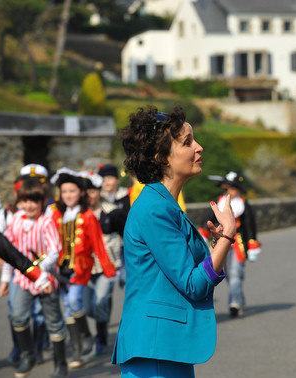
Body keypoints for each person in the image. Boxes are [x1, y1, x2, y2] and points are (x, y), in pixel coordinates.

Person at [112, 106, 236, 377]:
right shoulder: (155, 208)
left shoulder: (163, 204)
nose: (199, 148)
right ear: (162, 158)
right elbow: (193, 284)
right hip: (155, 348)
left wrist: (216, 245)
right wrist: (227, 236)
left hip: (163, 346)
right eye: (188, 142)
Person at [0, 178, 69, 378]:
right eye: (26, 200)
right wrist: (5, 281)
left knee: (53, 321)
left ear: (42, 201)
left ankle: (61, 364)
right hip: (22, 280)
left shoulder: (46, 221)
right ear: (20, 201)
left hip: (46, 279)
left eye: (34, 200)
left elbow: (54, 251)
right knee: (17, 316)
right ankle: (28, 355)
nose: (29, 205)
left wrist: (39, 269)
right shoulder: (16, 221)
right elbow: (9, 253)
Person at [50, 167, 116, 369]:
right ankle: (78, 351)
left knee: (73, 300)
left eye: (72, 191)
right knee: (68, 311)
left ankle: (86, 334)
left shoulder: (87, 216)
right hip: (60, 270)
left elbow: (98, 244)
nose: (68, 195)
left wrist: (108, 269)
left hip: (80, 268)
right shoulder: (55, 215)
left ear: (81, 193)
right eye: (65, 192)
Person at [199, 171, 261, 317]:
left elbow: (250, 226)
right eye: (226, 188)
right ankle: (238, 298)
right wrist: (204, 234)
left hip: (238, 245)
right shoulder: (217, 201)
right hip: (221, 242)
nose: (229, 192)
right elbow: (207, 219)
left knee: (235, 273)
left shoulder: (243, 204)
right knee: (223, 274)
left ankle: (235, 303)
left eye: (232, 188)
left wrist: (252, 245)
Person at [83, 171, 122, 355]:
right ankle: (102, 318)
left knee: (99, 301)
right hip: (86, 267)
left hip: (108, 265)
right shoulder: (79, 214)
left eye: (92, 191)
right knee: (88, 307)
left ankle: (101, 339)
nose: (89, 195)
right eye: (86, 192)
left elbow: (126, 237)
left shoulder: (113, 212)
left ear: (98, 191)